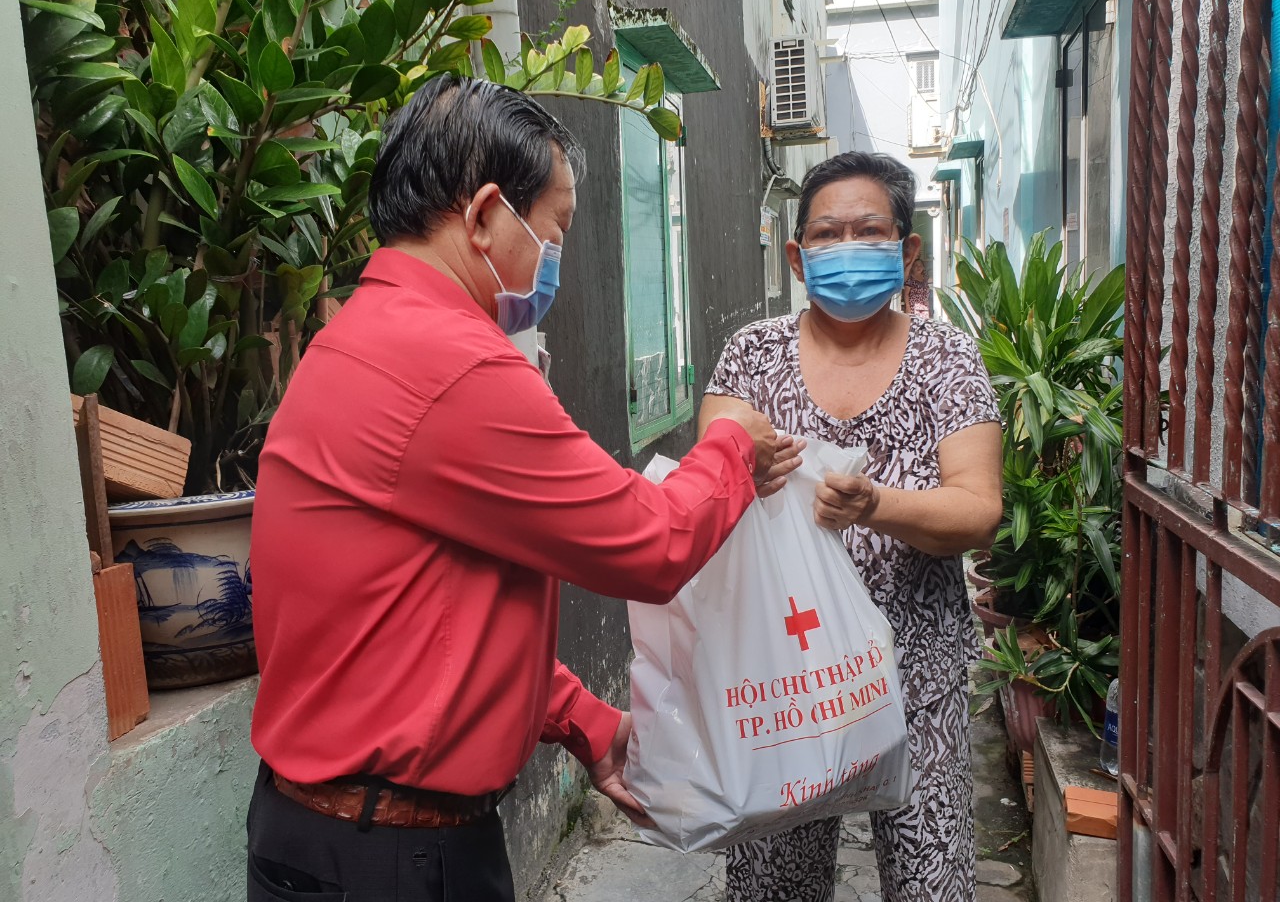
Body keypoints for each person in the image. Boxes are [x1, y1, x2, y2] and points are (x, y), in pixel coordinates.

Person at [245, 75, 791, 902]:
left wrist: (586, 724)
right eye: (555, 229)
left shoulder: (359, 336)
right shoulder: (451, 364)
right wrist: (731, 449)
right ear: (485, 213)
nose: (555, 256)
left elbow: (436, 621)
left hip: (337, 837)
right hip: (392, 857)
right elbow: (653, 544)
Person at [701, 151, 1003, 902]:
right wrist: (738, 470)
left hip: (917, 677)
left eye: (867, 231)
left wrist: (877, 505)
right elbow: (709, 480)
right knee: (775, 887)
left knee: (931, 882)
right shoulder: (754, 355)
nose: (846, 248)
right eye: (827, 235)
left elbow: (978, 509)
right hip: (788, 683)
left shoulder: (946, 357)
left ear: (906, 251)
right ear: (798, 256)